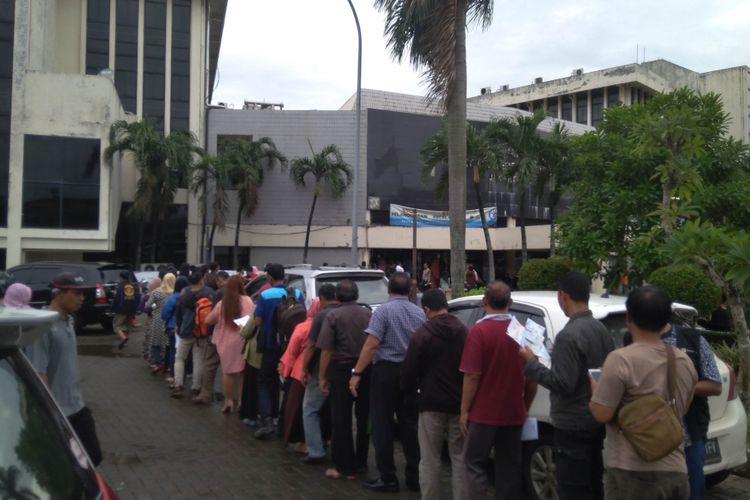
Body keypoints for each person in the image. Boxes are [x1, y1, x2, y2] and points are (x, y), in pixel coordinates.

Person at [590, 286, 698, 500]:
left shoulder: (620, 359)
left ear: (629, 317)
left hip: (632, 472)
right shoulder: (683, 361)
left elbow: (601, 414)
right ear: (667, 322)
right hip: (676, 470)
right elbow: (680, 409)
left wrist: (595, 385)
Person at [519, 271, 614, 500]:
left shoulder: (568, 335)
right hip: (594, 420)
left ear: (563, 296)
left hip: (572, 424)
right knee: (593, 483)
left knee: (573, 488)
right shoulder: (601, 329)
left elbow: (562, 383)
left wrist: (531, 363)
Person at [622, 324, 721, 500]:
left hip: (687, 440)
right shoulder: (631, 340)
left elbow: (714, 384)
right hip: (647, 439)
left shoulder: (692, 339)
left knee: (692, 491)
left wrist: (679, 385)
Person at [460, 281, 537, 500]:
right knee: (509, 469)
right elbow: (533, 375)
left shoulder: (478, 331)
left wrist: (465, 410)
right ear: (510, 303)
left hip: (483, 414)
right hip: (513, 412)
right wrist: (525, 405)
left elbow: (472, 375)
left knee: (474, 465)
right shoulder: (522, 332)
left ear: (485, 302)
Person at [350, 272, 426, 493]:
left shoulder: (382, 311)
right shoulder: (419, 313)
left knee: (382, 423)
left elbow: (372, 343)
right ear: (409, 291)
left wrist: (357, 372)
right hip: (410, 372)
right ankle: (414, 476)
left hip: (384, 372)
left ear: (389, 290)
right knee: (409, 424)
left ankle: (388, 476)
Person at [25, 273, 103, 465]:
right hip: (59, 412)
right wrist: (48, 415)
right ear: (59, 293)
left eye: (83, 294)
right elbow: (39, 373)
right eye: (77, 293)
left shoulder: (69, 320)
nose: (82, 298)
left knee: (93, 457)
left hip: (77, 406)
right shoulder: (42, 327)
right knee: (68, 463)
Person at [402, 288, 467, 500]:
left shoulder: (423, 333)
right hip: (459, 403)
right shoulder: (464, 331)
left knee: (430, 459)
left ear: (426, 309)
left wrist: (410, 393)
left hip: (430, 402)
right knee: (459, 458)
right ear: (446, 306)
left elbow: (410, 369)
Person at [317, 280, 373, 480]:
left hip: (341, 370)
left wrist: (322, 377)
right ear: (356, 295)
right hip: (366, 369)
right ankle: (361, 462)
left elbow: (326, 350)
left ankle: (345, 466)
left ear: (337, 297)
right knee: (364, 415)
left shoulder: (333, 315)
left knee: (341, 418)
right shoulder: (368, 314)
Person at [252, 263, 304, 439]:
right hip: (290, 346)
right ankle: (283, 420)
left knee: (265, 381)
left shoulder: (265, 295)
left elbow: (257, 321)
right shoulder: (296, 293)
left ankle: (266, 418)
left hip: (270, 345)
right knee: (287, 383)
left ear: (269, 277)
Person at [299, 285, 338, 464]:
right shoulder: (356, 312)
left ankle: (315, 450)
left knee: (310, 409)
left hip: (321, 369)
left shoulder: (321, 316)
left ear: (321, 298)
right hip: (344, 369)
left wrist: (303, 368)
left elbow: (311, 346)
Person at [205, 275, 254, 413]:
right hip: (244, 341)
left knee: (228, 373)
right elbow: (252, 319)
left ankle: (228, 401)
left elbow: (208, 320)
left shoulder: (222, 303)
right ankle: (242, 401)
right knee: (243, 372)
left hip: (226, 343)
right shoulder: (248, 301)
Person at [278, 301, 320, 451]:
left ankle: (302, 442)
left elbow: (291, 351)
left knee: (298, 408)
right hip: (324, 372)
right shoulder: (327, 324)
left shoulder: (303, 327)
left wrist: (285, 370)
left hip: (300, 371)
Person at [172, 271, 215, 398]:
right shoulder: (208, 292)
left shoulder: (184, 293)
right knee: (199, 359)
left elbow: (178, 312)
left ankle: (178, 384)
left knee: (180, 358)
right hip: (201, 330)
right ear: (201, 279)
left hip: (185, 329)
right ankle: (196, 387)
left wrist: (179, 326)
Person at [194, 270, 230, 405]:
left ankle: (205, 394)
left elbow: (211, 318)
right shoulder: (242, 295)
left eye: (218, 281)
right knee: (233, 369)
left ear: (221, 280)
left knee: (210, 363)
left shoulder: (219, 294)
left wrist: (208, 333)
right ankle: (233, 399)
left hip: (218, 334)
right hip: (235, 336)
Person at [145, 273, 175, 375]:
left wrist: (153, 308)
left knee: (155, 342)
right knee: (168, 344)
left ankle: (158, 363)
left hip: (157, 319)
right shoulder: (176, 293)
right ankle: (166, 365)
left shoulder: (156, 292)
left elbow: (147, 306)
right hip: (170, 321)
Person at [161, 276, 189, 385]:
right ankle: (185, 374)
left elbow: (164, 314)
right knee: (185, 353)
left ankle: (173, 375)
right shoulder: (189, 296)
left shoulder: (173, 298)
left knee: (174, 352)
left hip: (173, 328)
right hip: (186, 328)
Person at [111, 270, 140, 349]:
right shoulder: (134, 286)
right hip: (131, 309)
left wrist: (113, 308)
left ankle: (124, 338)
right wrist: (136, 308)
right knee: (127, 325)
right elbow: (138, 297)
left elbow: (116, 299)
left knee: (117, 325)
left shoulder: (120, 286)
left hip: (121, 309)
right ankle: (125, 342)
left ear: (121, 277)